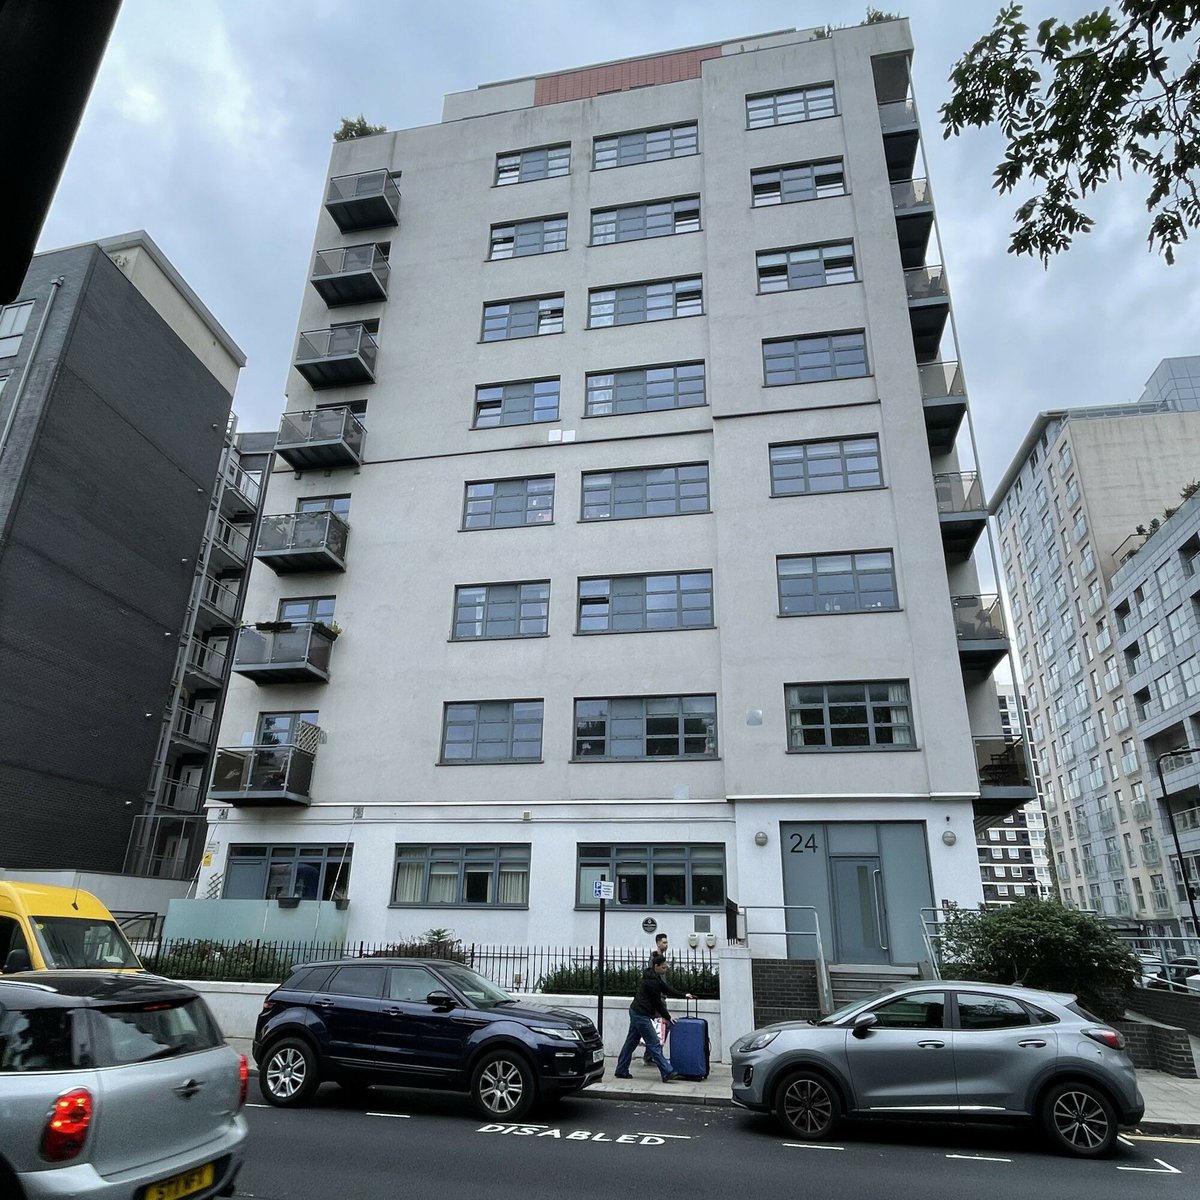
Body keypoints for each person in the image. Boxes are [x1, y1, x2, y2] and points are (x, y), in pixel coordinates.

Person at [614, 952, 692, 1083]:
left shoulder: (654, 976)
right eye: (663, 967)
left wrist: (684, 995)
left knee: (631, 1042)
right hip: (640, 1014)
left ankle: (621, 1070)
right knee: (654, 1043)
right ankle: (667, 1071)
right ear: (656, 966)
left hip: (636, 1011)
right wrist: (668, 1017)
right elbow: (658, 1004)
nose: (665, 969)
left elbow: (667, 989)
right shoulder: (652, 983)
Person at [642, 933, 670, 1064]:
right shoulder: (654, 959)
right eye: (664, 942)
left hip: (661, 997)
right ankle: (653, 1054)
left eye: (666, 942)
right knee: (665, 1025)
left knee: (657, 1026)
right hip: (657, 998)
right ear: (658, 943)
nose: (666, 944)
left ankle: (650, 1054)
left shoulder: (662, 958)